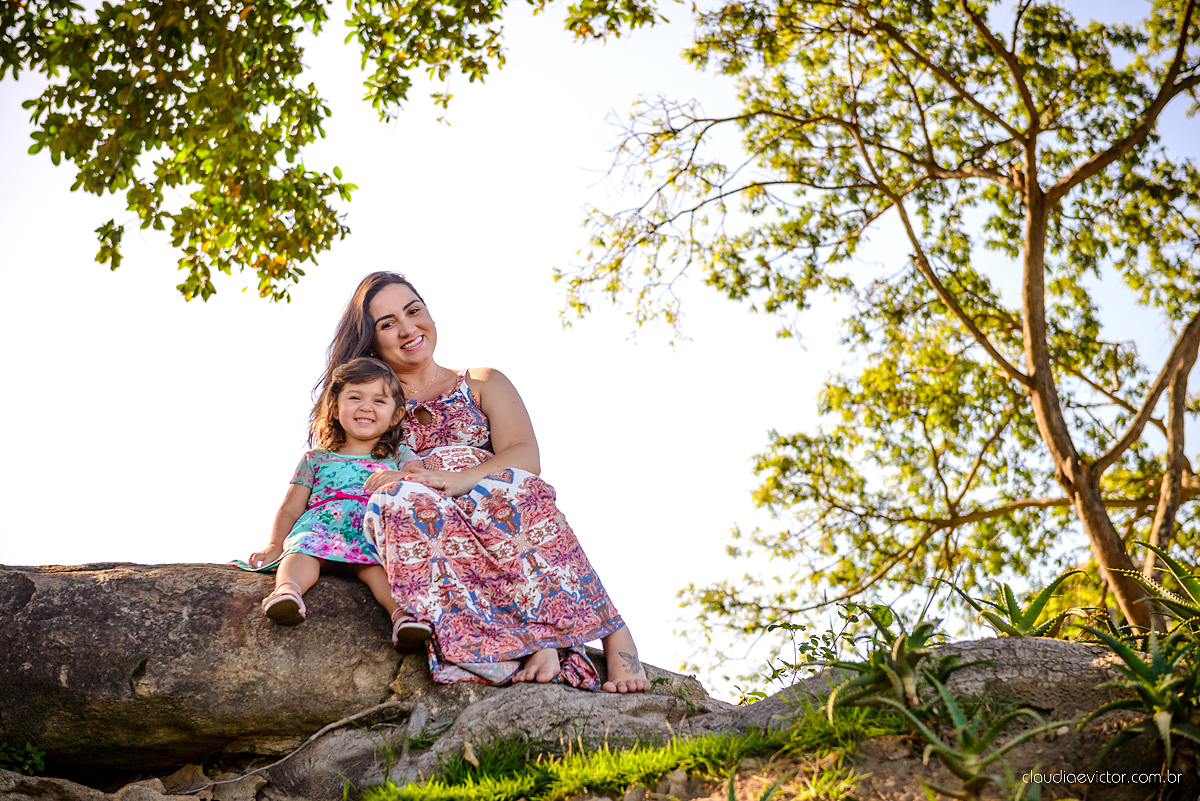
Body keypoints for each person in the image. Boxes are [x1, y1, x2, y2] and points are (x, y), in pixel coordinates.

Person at [320, 271, 651, 693]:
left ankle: (613, 633)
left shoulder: (481, 380)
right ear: (372, 338)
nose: (407, 329)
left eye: (413, 311)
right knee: (396, 504)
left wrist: (461, 480)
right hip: (428, 510)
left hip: (492, 494)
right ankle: (519, 645)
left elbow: (526, 454)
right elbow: (342, 463)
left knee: (518, 490)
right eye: (387, 324)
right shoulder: (370, 399)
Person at [239, 357, 432, 649]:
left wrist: (400, 477)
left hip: (369, 533)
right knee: (301, 549)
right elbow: (290, 508)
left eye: (379, 401)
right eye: (355, 397)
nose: (366, 407)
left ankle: (402, 617)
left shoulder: (398, 456)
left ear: (395, 416)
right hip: (320, 529)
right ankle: (287, 593)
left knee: (380, 567)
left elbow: (422, 481)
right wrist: (275, 545)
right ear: (334, 406)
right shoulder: (317, 457)